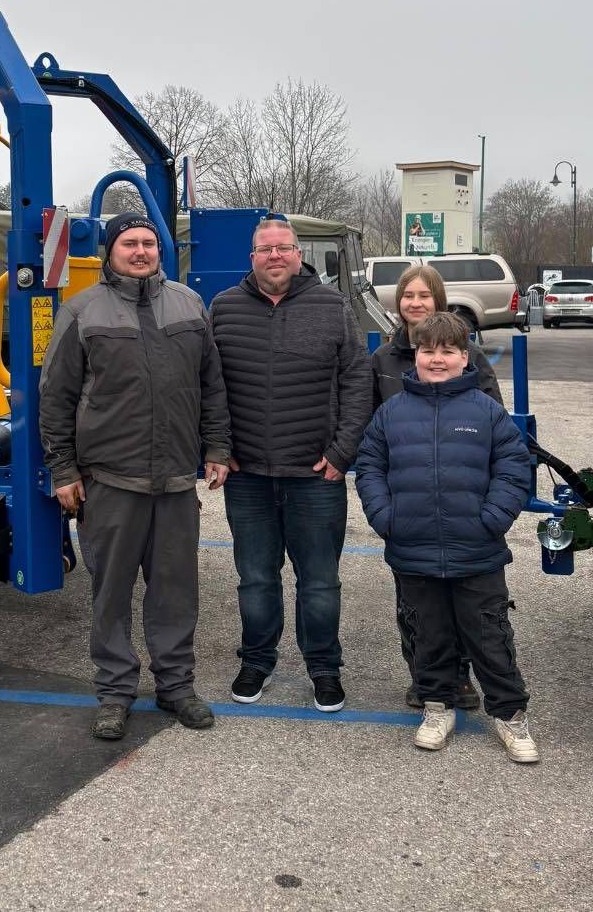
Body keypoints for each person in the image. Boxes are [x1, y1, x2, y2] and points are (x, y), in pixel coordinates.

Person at [39, 212, 232, 741]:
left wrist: (217, 447)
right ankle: (115, 692)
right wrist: (63, 469)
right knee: (111, 593)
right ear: (111, 251)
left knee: (175, 592)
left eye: (149, 242)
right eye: (130, 243)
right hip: (110, 481)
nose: (141, 251)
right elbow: (55, 397)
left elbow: (211, 385)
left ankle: (176, 686)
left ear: (160, 250)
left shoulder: (189, 305)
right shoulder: (82, 310)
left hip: (175, 480)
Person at [355, 311, 539, 762]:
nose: (437, 359)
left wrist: (492, 519)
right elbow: (370, 466)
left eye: (448, 351)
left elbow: (514, 468)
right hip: (413, 550)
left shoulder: (487, 411)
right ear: (415, 355)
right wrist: (385, 517)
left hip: (477, 551)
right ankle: (438, 707)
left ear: (464, 357)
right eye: (427, 350)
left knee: (490, 636)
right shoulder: (392, 413)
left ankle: (510, 715)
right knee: (429, 635)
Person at [211, 217, 371, 713]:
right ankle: (257, 660)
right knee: (256, 578)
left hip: (314, 476)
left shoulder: (332, 306)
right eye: (266, 249)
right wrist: (218, 446)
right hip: (248, 477)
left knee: (319, 581)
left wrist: (342, 452)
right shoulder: (223, 308)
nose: (275, 256)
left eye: (284, 248)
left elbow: (357, 380)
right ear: (252, 257)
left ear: (300, 255)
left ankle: (324, 668)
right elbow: (209, 386)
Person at [371, 264, 503, 711]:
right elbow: (370, 430)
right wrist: (383, 509)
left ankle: (461, 678)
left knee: (466, 600)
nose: (415, 303)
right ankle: (424, 677)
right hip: (408, 501)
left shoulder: (470, 356)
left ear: (438, 300)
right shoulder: (384, 359)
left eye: (424, 295)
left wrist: (491, 510)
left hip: (461, 499)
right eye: (408, 295)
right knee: (416, 601)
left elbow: (495, 425)